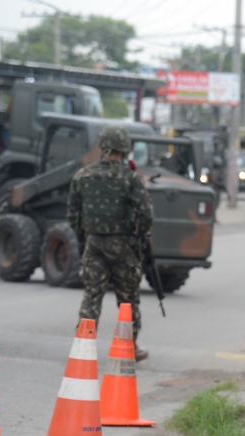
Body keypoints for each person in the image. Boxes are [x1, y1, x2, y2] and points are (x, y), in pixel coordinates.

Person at [67, 125, 155, 361]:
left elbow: (73, 214)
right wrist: (138, 234)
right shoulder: (130, 178)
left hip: (94, 243)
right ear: (125, 148)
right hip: (123, 246)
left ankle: (83, 347)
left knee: (92, 296)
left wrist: (84, 238)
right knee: (128, 300)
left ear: (103, 146)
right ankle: (129, 347)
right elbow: (146, 214)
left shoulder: (83, 175)